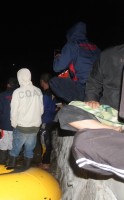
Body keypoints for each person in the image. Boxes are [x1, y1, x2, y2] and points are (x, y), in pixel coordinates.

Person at [55, 43, 124, 178]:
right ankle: (109, 129)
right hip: (108, 112)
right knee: (66, 113)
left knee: (85, 142)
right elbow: (93, 81)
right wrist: (91, 99)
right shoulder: (108, 54)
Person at [49, 21, 101, 103]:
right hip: (99, 88)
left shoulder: (72, 45)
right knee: (69, 76)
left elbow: (57, 67)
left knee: (54, 82)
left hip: (84, 88)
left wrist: (57, 57)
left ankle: (78, 103)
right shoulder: (95, 47)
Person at [7, 68, 43, 170]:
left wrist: (14, 124)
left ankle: (11, 169)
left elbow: (13, 110)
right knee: (29, 149)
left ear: (19, 77)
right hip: (34, 127)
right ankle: (26, 170)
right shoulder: (38, 90)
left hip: (21, 126)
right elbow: (41, 110)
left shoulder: (17, 92)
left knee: (15, 149)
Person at [0, 77, 19, 164]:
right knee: (13, 144)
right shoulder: (19, 95)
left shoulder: (1, 96)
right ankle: (11, 163)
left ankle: (2, 163)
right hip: (16, 125)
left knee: (3, 144)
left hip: (4, 125)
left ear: (8, 85)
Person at [38, 72, 58, 170]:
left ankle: (45, 163)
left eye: (40, 82)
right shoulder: (54, 93)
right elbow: (54, 107)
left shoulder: (45, 95)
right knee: (46, 140)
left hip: (45, 120)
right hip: (51, 120)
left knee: (44, 142)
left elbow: (42, 109)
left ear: (43, 82)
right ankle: (45, 161)